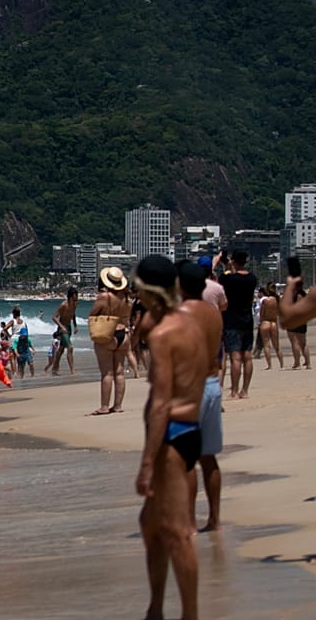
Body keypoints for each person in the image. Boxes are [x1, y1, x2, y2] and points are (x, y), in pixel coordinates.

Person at [132, 255, 209, 620]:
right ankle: (156, 608)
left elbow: (161, 402)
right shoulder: (189, 322)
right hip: (190, 429)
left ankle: (188, 615)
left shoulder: (163, 335)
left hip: (172, 436)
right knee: (150, 523)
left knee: (177, 533)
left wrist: (147, 463)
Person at [177, 259, 224, 533]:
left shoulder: (181, 313)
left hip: (190, 387)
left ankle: (189, 521)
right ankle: (214, 518)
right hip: (212, 384)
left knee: (186, 459)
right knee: (209, 457)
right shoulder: (213, 314)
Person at [88, 266, 132, 415]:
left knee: (107, 373)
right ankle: (118, 405)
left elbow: (93, 314)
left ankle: (104, 407)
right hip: (123, 335)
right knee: (119, 373)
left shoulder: (104, 297)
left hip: (108, 335)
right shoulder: (127, 298)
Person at [218, 250, 258, 398]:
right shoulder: (252, 279)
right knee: (247, 356)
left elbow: (224, 279)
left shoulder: (228, 279)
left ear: (233, 261)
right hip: (247, 319)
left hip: (231, 320)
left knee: (235, 357)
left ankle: (234, 390)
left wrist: (227, 267)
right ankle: (245, 390)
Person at [284, 277, 311, 369]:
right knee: (303, 343)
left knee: (294, 342)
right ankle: (308, 363)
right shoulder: (304, 295)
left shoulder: (295, 295)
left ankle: (297, 363)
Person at [50, 288, 79, 374]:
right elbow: (54, 317)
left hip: (68, 328)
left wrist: (75, 325)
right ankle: (72, 370)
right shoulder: (63, 305)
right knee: (70, 347)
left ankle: (54, 369)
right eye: (75, 296)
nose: (76, 298)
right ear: (70, 297)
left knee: (61, 349)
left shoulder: (75, 304)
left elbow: (73, 314)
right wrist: (62, 327)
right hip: (62, 329)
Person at [257, 284, 283, 369]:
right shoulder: (277, 300)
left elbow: (262, 314)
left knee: (266, 345)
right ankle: (281, 364)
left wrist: (259, 322)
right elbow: (279, 312)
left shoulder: (265, 301)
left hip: (265, 322)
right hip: (274, 322)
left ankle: (269, 365)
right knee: (277, 345)